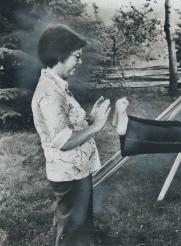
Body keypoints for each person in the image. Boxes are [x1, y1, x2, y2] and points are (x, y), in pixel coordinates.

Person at [32, 24, 111, 246]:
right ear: (60, 55)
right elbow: (63, 141)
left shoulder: (56, 86)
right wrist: (96, 126)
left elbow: (66, 126)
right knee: (74, 234)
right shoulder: (50, 93)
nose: (80, 61)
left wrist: (89, 119)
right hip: (69, 175)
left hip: (76, 172)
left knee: (75, 229)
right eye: (77, 56)